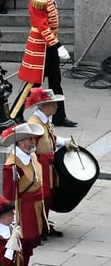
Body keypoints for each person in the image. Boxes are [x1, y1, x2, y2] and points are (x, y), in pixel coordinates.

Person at [10, 0, 78, 127]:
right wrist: (58, 46)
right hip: (40, 47)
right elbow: (42, 27)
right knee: (33, 84)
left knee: (56, 82)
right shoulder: (38, 0)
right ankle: (15, 113)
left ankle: (59, 116)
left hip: (49, 46)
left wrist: (55, 46)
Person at [24, 87, 78, 237]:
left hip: (47, 163)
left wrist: (65, 142)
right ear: (44, 106)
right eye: (53, 104)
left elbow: (49, 138)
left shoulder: (43, 120)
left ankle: (44, 224)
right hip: (40, 164)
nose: (56, 106)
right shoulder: (35, 123)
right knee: (42, 196)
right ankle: (38, 228)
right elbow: (28, 147)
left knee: (48, 196)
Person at [0, 123, 45, 266]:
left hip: (33, 207)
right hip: (22, 210)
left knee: (28, 248)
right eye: (28, 139)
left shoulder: (30, 156)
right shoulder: (12, 165)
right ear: (20, 143)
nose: (33, 141)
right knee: (20, 247)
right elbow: (8, 195)